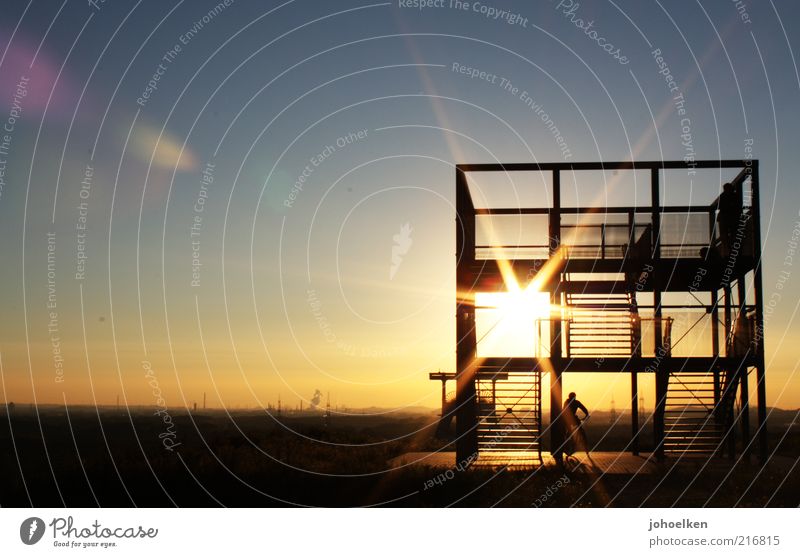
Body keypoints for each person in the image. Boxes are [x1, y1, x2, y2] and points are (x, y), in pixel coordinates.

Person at [552, 392, 590, 466]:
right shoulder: (576, 402)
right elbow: (584, 409)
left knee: (567, 432)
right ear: (574, 397)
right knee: (579, 430)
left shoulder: (567, 402)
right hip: (572, 419)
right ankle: (578, 444)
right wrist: (586, 415)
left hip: (567, 419)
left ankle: (567, 442)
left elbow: (564, 410)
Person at [716, 182, 742, 257]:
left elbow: (719, 207)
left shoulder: (723, 196)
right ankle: (731, 250)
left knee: (726, 236)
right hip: (730, 219)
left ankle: (727, 250)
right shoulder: (734, 196)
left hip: (726, 219)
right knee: (732, 235)